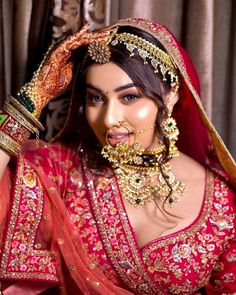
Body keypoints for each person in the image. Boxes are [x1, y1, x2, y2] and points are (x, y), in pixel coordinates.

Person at [0, 17, 235, 295]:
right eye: (95, 98)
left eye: (129, 97)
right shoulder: (61, 171)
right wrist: (33, 98)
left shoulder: (221, 200)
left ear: (171, 96)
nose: (109, 119)